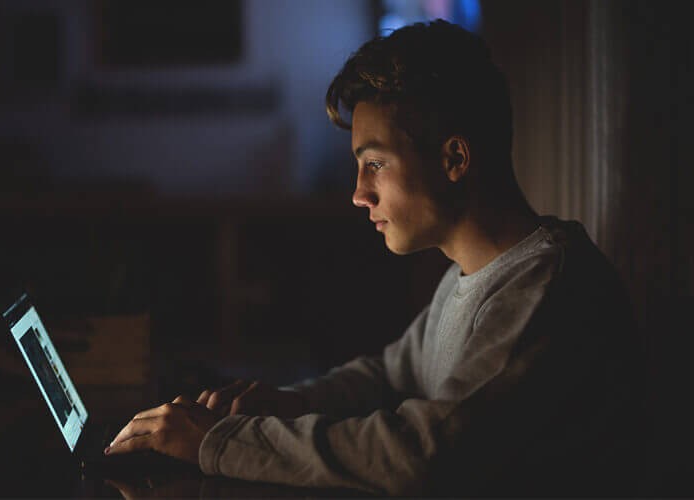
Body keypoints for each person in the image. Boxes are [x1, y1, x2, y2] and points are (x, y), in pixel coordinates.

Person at [104, 20, 646, 496]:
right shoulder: (475, 274)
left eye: (376, 164)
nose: (359, 193)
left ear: (455, 158)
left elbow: (423, 455)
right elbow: (389, 375)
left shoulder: (545, 289)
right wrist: (286, 404)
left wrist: (221, 443)